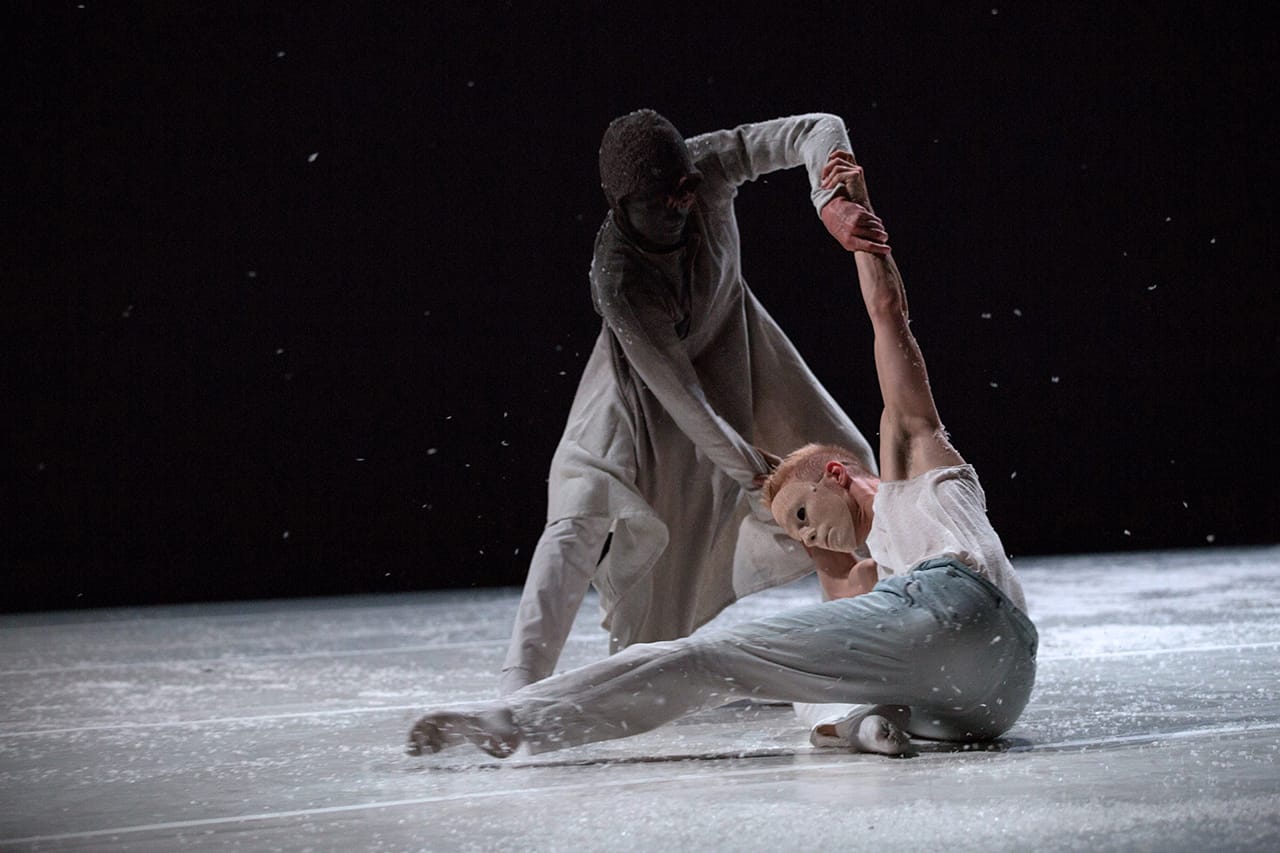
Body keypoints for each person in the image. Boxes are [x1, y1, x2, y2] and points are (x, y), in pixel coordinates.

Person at [408, 156, 1038, 758]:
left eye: (798, 514)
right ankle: (865, 723)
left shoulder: (914, 465)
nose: (801, 536)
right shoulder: (865, 567)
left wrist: (858, 219)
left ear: (837, 475)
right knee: (794, 680)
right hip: (989, 702)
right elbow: (833, 620)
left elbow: (889, 318)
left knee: (712, 656)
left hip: (959, 608)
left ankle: (515, 721)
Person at [500, 110, 882, 695]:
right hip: (643, 391)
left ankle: (886, 635)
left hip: (741, 351)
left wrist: (829, 195)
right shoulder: (619, 279)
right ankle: (517, 691)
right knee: (580, 504)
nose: (684, 204)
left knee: (848, 473)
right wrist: (765, 478)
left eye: (688, 189)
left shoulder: (708, 166)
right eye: (665, 197)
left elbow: (814, 128)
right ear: (622, 204)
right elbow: (687, 402)